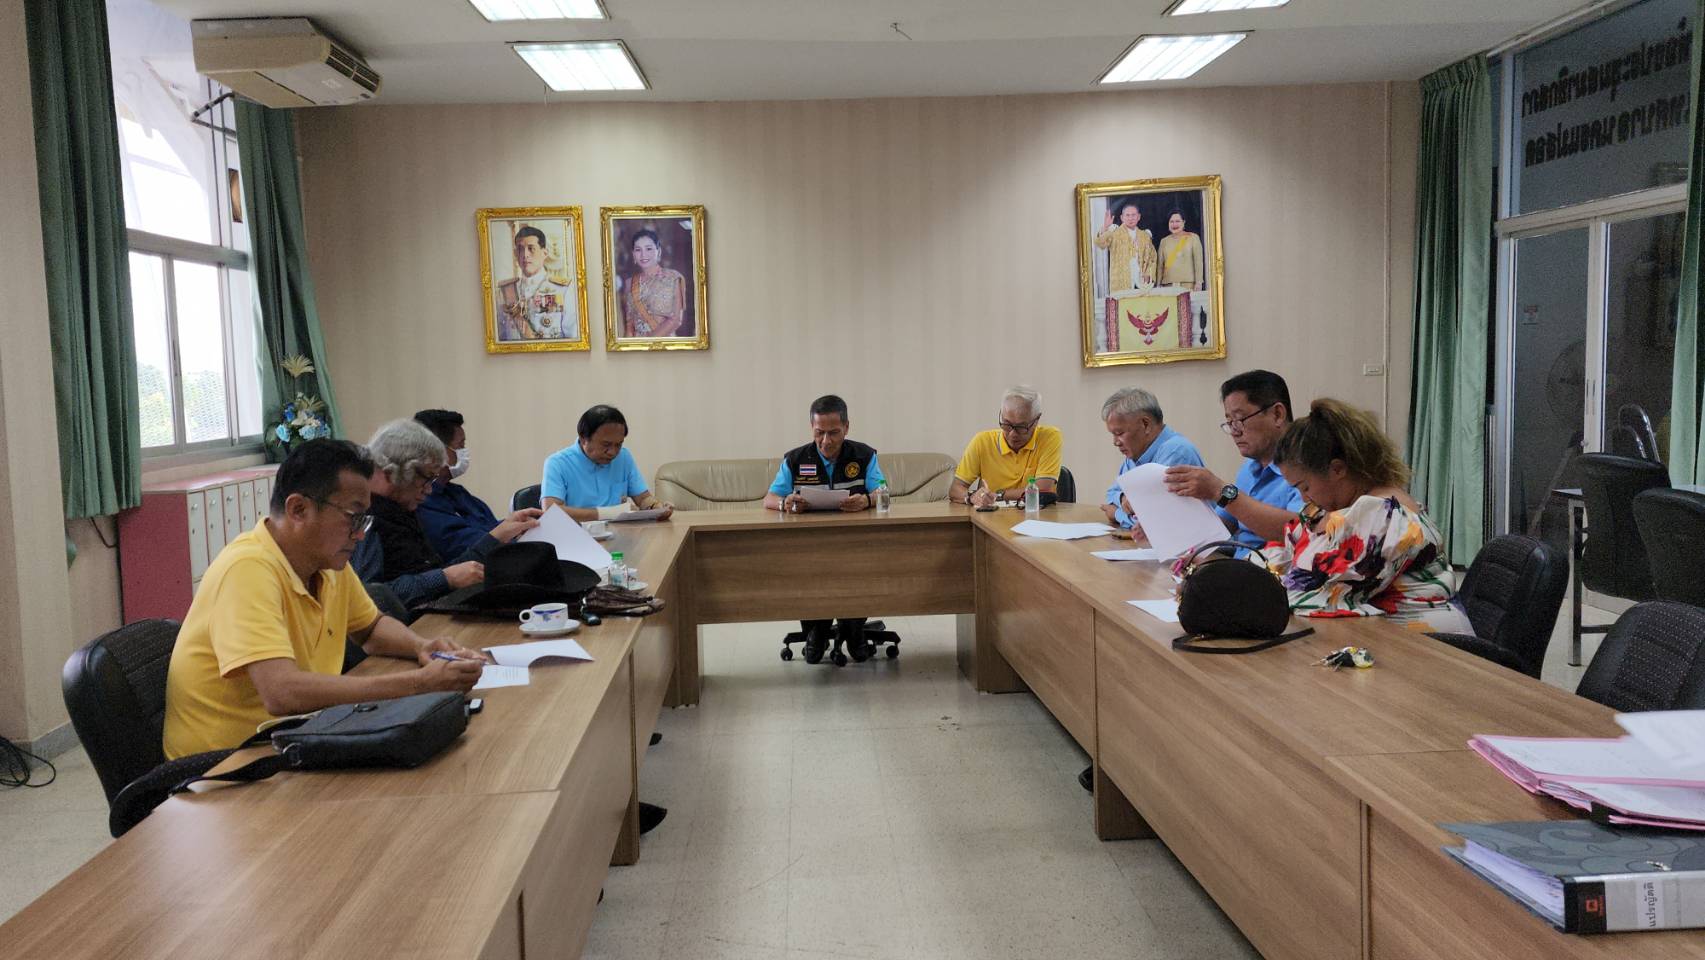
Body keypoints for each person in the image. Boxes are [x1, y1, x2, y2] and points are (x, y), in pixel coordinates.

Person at [162, 439, 487, 760]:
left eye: (364, 520)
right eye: (353, 517)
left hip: (297, 738)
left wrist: (421, 646)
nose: (360, 534)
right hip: (228, 766)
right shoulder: (247, 570)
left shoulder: (326, 562)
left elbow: (371, 629)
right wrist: (418, 684)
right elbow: (281, 693)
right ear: (298, 509)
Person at [1250, 399, 1458, 622]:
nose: (1303, 498)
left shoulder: (1384, 516)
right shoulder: (1327, 512)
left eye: (1305, 487)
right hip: (1368, 630)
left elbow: (1325, 596)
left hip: (1416, 636)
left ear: (1337, 469)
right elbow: (1286, 559)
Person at [353, 419, 541, 613]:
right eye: (427, 479)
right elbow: (369, 597)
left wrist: (497, 537)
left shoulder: (401, 509)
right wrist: (444, 578)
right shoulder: (363, 517)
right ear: (394, 472)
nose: (429, 490)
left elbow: (449, 573)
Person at [763, 394, 884, 664]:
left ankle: (854, 627)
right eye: (819, 433)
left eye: (834, 433)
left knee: (861, 570)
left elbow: (883, 491)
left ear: (847, 428)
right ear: (812, 428)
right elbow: (769, 498)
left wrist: (867, 500)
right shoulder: (795, 459)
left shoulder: (864, 455)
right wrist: (785, 503)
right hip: (808, 547)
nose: (826, 441)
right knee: (806, 573)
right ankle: (816, 629)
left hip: (855, 545)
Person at [1163, 370, 1305, 550]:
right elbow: (1222, 525)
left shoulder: (1307, 465)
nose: (1234, 431)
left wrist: (1218, 489)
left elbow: (1300, 531)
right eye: (1229, 422)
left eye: (1239, 419)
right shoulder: (1249, 468)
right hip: (1239, 562)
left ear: (1277, 414)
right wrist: (1165, 531)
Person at [541, 405, 675, 522]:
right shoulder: (557, 463)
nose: (613, 452)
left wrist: (657, 508)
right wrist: (608, 513)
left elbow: (643, 498)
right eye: (606, 444)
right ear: (583, 439)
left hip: (622, 534)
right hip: (578, 536)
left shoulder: (623, 457)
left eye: (618, 444)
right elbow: (551, 511)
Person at [1100, 387, 1204, 534]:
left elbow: (1157, 524)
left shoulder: (1176, 452)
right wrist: (1123, 498)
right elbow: (1112, 493)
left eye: (1120, 433)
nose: (1115, 442)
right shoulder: (1136, 454)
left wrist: (1117, 514)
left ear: (1145, 424)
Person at [949, 385, 1062, 506]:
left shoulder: (1049, 437)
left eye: (1021, 427)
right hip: (992, 515)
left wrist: (998, 495)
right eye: (1006, 424)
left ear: (1037, 420)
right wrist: (972, 497)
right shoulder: (982, 441)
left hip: (1034, 514)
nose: (1013, 434)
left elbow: (1041, 491)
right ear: (1001, 415)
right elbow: (955, 489)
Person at [414, 409, 500, 560]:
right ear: (437, 451)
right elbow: (460, 546)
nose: (464, 452)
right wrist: (506, 532)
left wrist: (521, 524)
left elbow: (491, 526)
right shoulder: (421, 501)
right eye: (460, 445)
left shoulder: (458, 492)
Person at [496, 225, 575, 341]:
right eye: (520, 249)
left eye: (531, 248)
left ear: (545, 253)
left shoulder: (563, 289)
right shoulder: (504, 291)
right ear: (516, 254)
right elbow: (500, 338)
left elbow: (573, 337)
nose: (525, 255)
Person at [621, 229, 687, 337]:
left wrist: (649, 342)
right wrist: (629, 345)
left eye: (648, 249)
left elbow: (676, 320)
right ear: (633, 254)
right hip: (637, 344)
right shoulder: (629, 283)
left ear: (659, 251)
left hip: (663, 343)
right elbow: (630, 325)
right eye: (638, 250)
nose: (643, 254)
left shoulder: (673, 278)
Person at [1094, 199, 1157, 292]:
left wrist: (1148, 274)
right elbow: (1100, 244)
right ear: (1122, 217)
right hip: (1120, 282)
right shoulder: (1114, 233)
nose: (1130, 218)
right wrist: (1105, 228)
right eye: (1127, 215)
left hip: (1141, 281)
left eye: (1133, 215)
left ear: (1139, 217)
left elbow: (1152, 258)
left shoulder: (1145, 236)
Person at [1156, 211, 1205, 291]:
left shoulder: (1193, 238)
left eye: (1177, 221)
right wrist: (1158, 285)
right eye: (1171, 221)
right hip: (1167, 286)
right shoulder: (1164, 241)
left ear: (1183, 222)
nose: (1174, 224)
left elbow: (1198, 262)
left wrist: (1199, 282)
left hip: (1189, 285)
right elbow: (1160, 266)